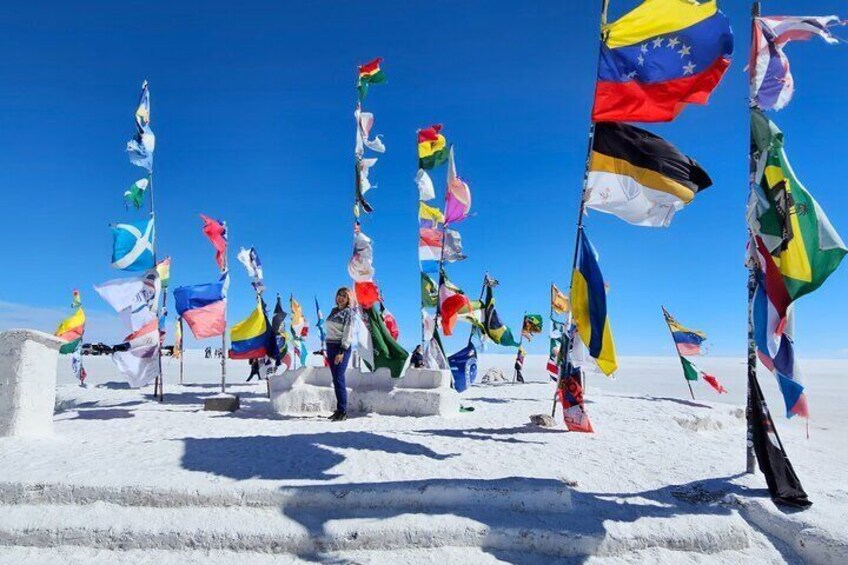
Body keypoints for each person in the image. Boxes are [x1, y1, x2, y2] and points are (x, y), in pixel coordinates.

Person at [324, 287, 354, 421]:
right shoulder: (334, 311)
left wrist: (342, 351)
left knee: (339, 378)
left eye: (344, 296)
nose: (340, 297)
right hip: (330, 346)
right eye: (339, 295)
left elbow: (348, 333)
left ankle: (343, 411)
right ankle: (339, 409)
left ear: (348, 299)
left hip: (341, 347)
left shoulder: (348, 313)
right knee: (335, 379)